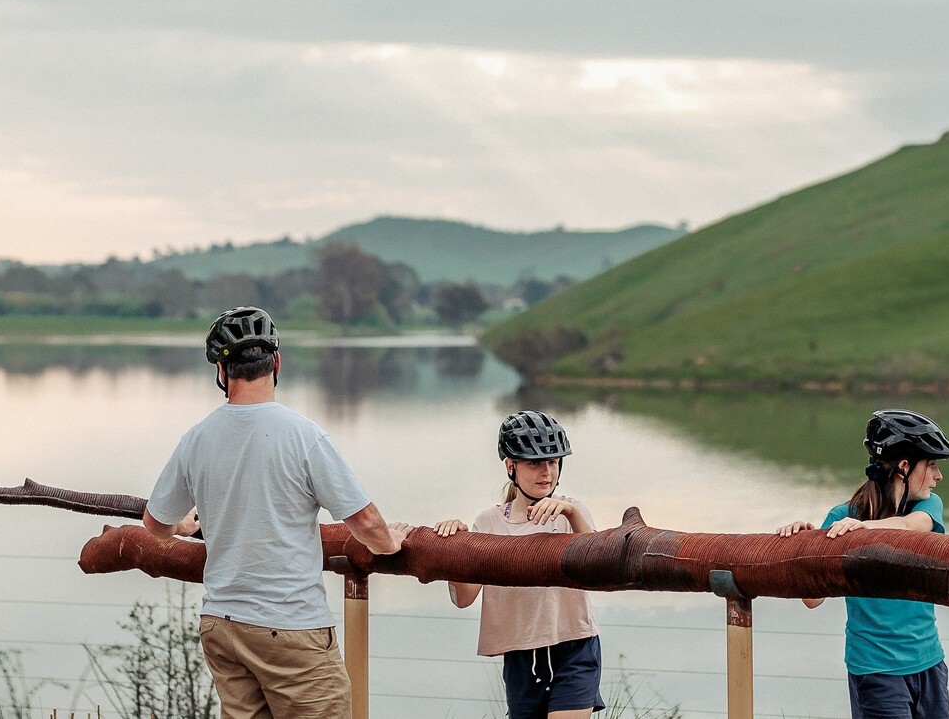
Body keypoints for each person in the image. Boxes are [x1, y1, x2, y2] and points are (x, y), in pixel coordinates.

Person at [143, 306, 411, 719]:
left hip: (222, 624)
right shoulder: (303, 435)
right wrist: (393, 542)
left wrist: (181, 525)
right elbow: (364, 522)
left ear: (221, 371)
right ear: (277, 363)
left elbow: (155, 526)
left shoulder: (196, 439)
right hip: (289, 625)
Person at [776, 408, 949, 719]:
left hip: (929, 663)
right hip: (876, 670)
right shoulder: (841, 517)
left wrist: (863, 529)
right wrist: (804, 542)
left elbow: (908, 527)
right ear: (904, 466)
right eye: (931, 465)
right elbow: (812, 599)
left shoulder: (928, 506)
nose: (938, 476)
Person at [432, 409, 604, 719]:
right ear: (511, 466)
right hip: (520, 654)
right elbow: (463, 598)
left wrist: (569, 512)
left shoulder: (571, 512)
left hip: (574, 645)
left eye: (553, 462)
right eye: (534, 462)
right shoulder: (489, 522)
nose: (546, 472)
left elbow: (596, 566)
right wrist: (453, 550)